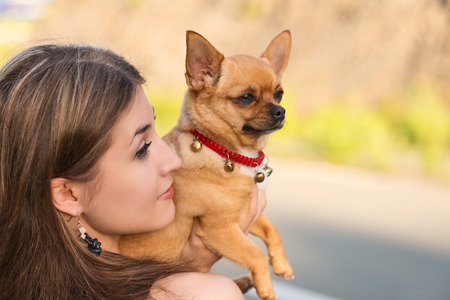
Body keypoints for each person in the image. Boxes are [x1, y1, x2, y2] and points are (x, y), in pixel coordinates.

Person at [0, 44, 266, 299]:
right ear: (69, 194)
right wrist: (194, 273)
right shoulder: (204, 294)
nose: (174, 159)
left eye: (155, 128)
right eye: (142, 149)